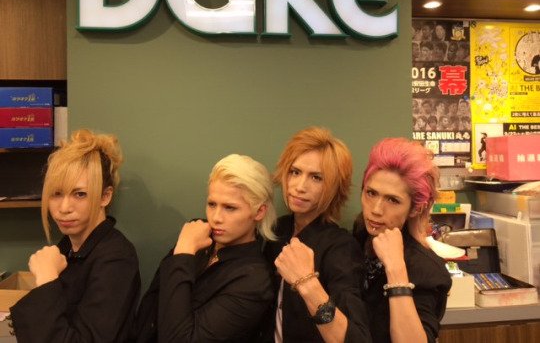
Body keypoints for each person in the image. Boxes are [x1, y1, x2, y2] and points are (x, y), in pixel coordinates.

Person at [10, 129, 140, 342]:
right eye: (56, 193)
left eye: (79, 194)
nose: (64, 208)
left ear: (105, 196)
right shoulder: (65, 250)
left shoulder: (116, 258)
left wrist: (47, 279)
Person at [134, 154, 276, 343]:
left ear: (259, 211)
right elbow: (151, 306)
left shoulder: (254, 281)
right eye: (211, 204)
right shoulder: (197, 233)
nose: (216, 217)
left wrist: (184, 252)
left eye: (230, 208)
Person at [263, 127, 371, 343]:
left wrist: (307, 283)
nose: (300, 186)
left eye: (316, 177)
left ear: (333, 187)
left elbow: (356, 338)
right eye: (295, 172)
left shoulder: (341, 248)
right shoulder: (277, 230)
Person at [353, 138, 451, 343]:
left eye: (393, 200)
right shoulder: (360, 234)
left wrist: (396, 269)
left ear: (415, 208)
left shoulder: (426, 268)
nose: (376, 209)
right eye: (371, 193)